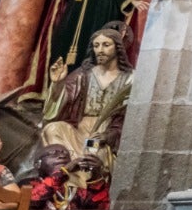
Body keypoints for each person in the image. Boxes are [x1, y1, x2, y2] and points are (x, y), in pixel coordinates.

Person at [41, 24, 133, 167]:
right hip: (79, 129)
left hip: (105, 133)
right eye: (96, 46)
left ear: (118, 48)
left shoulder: (130, 79)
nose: (100, 50)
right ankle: (65, 170)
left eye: (106, 45)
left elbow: (131, 118)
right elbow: (58, 107)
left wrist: (109, 135)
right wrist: (58, 84)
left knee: (93, 150)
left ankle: (84, 179)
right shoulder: (82, 75)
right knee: (53, 128)